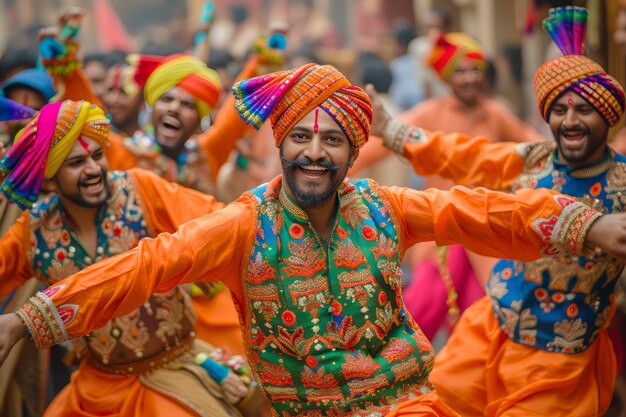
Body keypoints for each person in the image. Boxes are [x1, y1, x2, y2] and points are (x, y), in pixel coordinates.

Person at [1, 63, 626, 417]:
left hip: (407, 405)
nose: (314, 152)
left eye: (332, 140)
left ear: (353, 152)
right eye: (300, 136)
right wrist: (30, 319)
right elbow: (151, 264)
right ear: (279, 143)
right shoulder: (244, 225)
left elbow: (475, 208)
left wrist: (586, 224)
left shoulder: (386, 208)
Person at [368, 6, 626, 416]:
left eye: (584, 110)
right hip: (490, 326)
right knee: (425, 403)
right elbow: (466, 155)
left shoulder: (622, 184)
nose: (570, 121)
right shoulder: (534, 157)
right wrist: (393, 131)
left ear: (607, 114)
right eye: (560, 111)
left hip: (557, 359)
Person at [0, 99, 261, 417]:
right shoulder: (32, 233)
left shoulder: (139, 188)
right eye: (76, 163)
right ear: (50, 178)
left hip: (174, 369)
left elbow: (215, 221)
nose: (94, 169)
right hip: (95, 384)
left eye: (97, 155)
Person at [352, 32, 547, 342]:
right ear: (446, 76)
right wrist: (338, 167)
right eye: (460, 71)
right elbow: (381, 141)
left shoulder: (494, 113)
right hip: (440, 233)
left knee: (485, 319)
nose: (469, 78)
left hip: (487, 234)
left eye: (474, 70)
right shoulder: (430, 112)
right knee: (421, 312)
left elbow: (537, 148)